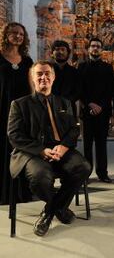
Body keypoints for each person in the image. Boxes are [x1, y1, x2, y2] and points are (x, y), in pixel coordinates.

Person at [7, 61, 91, 236]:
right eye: (39, 74)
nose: (43, 77)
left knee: (83, 167)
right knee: (40, 177)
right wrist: (41, 150)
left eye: (47, 74)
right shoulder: (19, 104)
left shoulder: (65, 102)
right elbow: (14, 135)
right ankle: (59, 209)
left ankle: (50, 211)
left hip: (61, 150)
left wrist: (64, 146)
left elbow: (75, 129)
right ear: (32, 78)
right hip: (32, 153)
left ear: (53, 77)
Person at [0, 22, 33, 205]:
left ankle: (19, 192)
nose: (18, 36)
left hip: (20, 112)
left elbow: (31, 88)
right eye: (14, 33)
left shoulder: (27, 60)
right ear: (6, 35)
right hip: (2, 108)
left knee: (18, 149)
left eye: (21, 33)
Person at [78, 38, 114, 183]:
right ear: (88, 49)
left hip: (102, 111)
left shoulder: (107, 68)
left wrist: (100, 106)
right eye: (93, 46)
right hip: (86, 111)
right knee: (87, 144)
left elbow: (111, 89)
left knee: (101, 144)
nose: (95, 48)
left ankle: (102, 173)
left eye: (98, 47)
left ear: (101, 50)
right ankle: (86, 174)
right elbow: (79, 89)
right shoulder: (81, 67)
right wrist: (90, 104)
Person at [50, 40, 80, 116]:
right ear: (52, 53)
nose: (60, 52)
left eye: (63, 49)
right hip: (49, 107)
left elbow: (78, 91)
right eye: (57, 49)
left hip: (69, 109)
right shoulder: (47, 70)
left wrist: (65, 101)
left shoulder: (74, 72)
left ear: (68, 53)